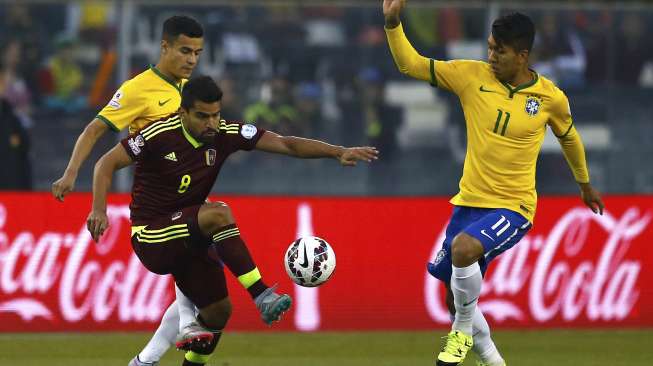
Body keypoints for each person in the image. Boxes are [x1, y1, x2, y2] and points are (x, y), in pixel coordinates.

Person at [86, 75, 378, 366]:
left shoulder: (225, 133)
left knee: (218, 312)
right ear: (182, 112)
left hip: (189, 234)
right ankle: (261, 294)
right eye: (202, 116)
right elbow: (105, 164)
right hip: (152, 235)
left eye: (216, 115)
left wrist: (338, 152)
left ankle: (146, 363)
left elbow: (286, 144)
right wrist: (99, 209)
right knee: (218, 213)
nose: (211, 123)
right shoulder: (157, 134)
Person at [48, 15, 283, 366]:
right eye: (185, 51)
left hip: (188, 199)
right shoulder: (137, 89)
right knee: (191, 276)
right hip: (159, 206)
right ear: (165, 47)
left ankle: (146, 360)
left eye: (197, 53)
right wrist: (71, 173)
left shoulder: (189, 91)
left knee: (212, 301)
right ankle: (184, 331)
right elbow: (94, 130)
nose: (191, 59)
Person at [382, 1, 605, 365]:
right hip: (469, 202)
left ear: (522, 55)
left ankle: (460, 337)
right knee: (452, 296)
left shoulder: (550, 98)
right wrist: (393, 24)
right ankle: (492, 359)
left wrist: (584, 184)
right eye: (488, 47)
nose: (490, 56)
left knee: (465, 250)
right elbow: (411, 64)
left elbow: (570, 138)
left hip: (513, 206)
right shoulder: (471, 76)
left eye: (498, 51)